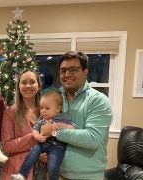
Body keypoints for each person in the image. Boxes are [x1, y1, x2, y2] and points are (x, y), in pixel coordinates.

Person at [54, 51, 113, 179]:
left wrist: (55, 132)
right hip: (58, 173)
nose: (67, 74)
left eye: (73, 69)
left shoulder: (98, 100)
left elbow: (92, 139)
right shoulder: (56, 98)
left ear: (85, 72)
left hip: (87, 176)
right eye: (63, 70)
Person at [10, 91, 75, 180]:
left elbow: (72, 128)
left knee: (52, 167)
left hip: (57, 147)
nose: (43, 111)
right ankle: (21, 175)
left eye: (47, 108)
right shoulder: (42, 118)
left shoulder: (63, 117)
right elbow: (35, 129)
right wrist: (37, 136)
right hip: (42, 144)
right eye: (41, 108)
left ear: (57, 108)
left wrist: (61, 125)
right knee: (30, 156)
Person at [0, 69, 42, 180]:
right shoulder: (10, 113)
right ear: (19, 86)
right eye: (24, 82)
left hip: (44, 169)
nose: (28, 85)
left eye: (32, 82)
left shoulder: (46, 111)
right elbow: (7, 146)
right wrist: (35, 135)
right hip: (18, 169)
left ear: (39, 85)